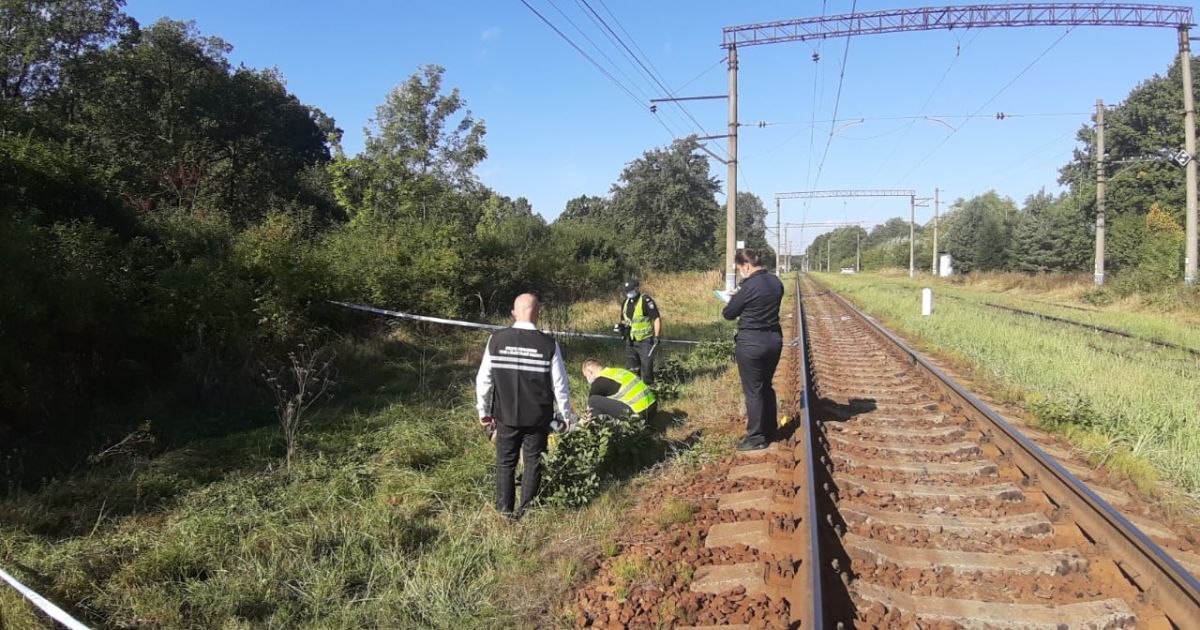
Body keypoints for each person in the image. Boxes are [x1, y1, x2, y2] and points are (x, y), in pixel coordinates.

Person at [475, 293, 574, 519]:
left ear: (513, 313)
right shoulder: (549, 344)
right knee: (533, 462)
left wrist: (483, 412)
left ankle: (504, 512)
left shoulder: (496, 340)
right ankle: (527, 512)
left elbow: (484, 380)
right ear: (537, 314)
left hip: (505, 415)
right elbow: (560, 385)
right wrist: (565, 414)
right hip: (538, 418)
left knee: (505, 463)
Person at [721, 249, 785, 452]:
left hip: (751, 343)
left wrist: (732, 298)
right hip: (774, 339)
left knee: (753, 391)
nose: (741, 273)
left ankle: (756, 437)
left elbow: (729, 314)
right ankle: (770, 429)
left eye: (740, 269)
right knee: (767, 385)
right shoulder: (776, 282)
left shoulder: (747, 287)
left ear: (746, 266)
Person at [615, 279, 662, 385]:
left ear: (637, 289)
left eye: (630, 290)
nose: (629, 293)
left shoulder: (645, 301)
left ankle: (649, 393)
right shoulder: (625, 303)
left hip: (645, 341)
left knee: (646, 371)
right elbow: (624, 320)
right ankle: (635, 396)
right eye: (627, 291)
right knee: (632, 372)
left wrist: (657, 336)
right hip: (630, 342)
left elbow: (656, 319)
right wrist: (621, 328)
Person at [580, 358, 657, 421]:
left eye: (586, 376)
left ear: (589, 372)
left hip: (638, 415)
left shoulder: (599, 382)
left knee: (593, 401)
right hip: (652, 410)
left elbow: (589, 410)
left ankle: (597, 430)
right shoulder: (617, 371)